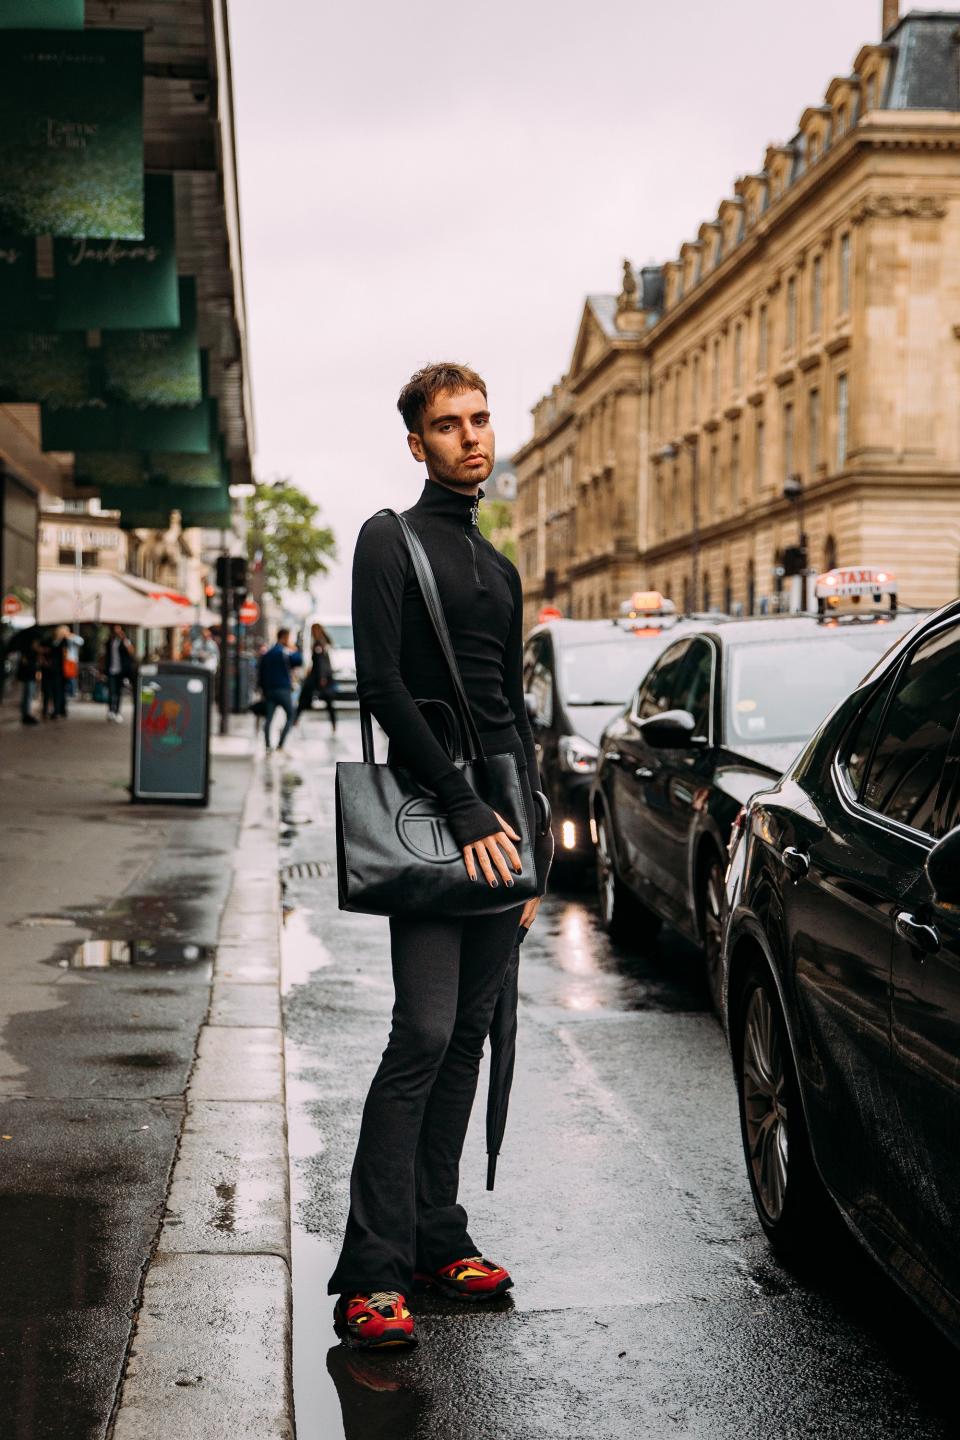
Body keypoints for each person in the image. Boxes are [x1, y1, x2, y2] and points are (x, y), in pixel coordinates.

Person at [328, 362, 549, 1352]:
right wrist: (465, 810)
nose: (472, 437)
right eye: (449, 424)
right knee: (419, 1034)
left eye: (481, 419)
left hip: (507, 831)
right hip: (436, 821)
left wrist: (532, 839)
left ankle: (435, 1234)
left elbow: (511, 714)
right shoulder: (390, 539)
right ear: (417, 441)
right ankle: (370, 1272)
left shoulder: (499, 569)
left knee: (467, 1037)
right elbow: (381, 685)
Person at [256, 627, 302, 751]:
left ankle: (267, 745)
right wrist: (295, 649)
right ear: (284, 638)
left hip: (269, 691)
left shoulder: (268, 653)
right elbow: (298, 660)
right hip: (282, 690)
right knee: (291, 714)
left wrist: (263, 689)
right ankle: (280, 744)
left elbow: (260, 672)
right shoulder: (284, 652)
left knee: (269, 719)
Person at [296, 622, 337, 731]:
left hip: (318, 676)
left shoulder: (318, 644)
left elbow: (321, 662)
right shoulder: (323, 642)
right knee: (328, 701)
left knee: (304, 697)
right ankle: (334, 725)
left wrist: (322, 677)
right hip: (321, 675)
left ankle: (294, 720)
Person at [102, 624, 135, 722]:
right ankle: (111, 711)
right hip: (111, 670)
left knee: (118, 692)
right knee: (112, 691)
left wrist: (124, 639)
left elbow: (131, 651)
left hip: (121, 671)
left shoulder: (125, 641)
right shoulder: (110, 641)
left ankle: (117, 711)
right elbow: (106, 656)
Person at [17, 637, 39, 725]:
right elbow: (26, 665)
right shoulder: (28, 653)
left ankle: (26, 713)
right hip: (28, 677)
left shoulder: (30, 653)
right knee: (27, 696)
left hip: (29, 677)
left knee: (28, 696)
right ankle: (26, 714)